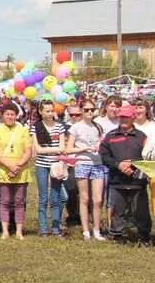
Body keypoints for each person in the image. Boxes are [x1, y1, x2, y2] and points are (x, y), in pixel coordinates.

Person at [99, 104, 151, 245]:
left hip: (137, 182)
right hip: (117, 180)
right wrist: (118, 165)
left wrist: (132, 165)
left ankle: (144, 237)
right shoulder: (110, 136)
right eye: (121, 116)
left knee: (141, 212)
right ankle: (117, 236)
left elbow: (147, 157)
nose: (123, 119)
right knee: (118, 211)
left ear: (133, 117)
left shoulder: (142, 137)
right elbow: (104, 156)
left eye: (127, 117)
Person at [0, 102, 32, 240]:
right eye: (7, 114)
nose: (10, 116)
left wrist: (17, 166)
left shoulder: (23, 130)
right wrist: (9, 166)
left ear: (16, 115)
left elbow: (28, 151)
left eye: (12, 114)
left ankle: (19, 231)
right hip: (3, 169)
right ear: (2, 115)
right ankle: (5, 231)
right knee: (5, 200)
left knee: (19, 201)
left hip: (21, 169)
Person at [66, 100, 106, 241]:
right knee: (84, 198)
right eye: (87, 110)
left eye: (92, 109)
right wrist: (85, 148)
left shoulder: (98, 126)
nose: (90, 112)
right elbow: (68, 149)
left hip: (97, 163)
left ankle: (96, 230)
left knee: (98, 199)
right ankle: (85, 231)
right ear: (81, 111)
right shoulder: (75, 128)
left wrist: (99, 145)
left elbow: (102, 143)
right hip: (82, 163)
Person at [31, 100, 68, 237]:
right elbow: (38, 149)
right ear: (41, 112)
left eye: (52, 110)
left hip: (56, 165)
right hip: (41, 165)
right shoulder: (36, 127)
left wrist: (55, 149)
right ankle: (43, 229)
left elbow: (63, 148)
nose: (50, 113)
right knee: (43, 198)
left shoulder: (60, 127)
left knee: (56, 197)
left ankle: (56, 229)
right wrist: (56, 149)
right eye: (47, 111)